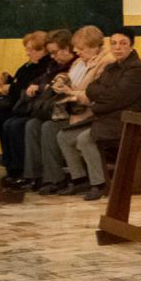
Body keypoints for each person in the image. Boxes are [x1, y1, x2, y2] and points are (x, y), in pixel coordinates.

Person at [71, 27, 141, 200]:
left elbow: (116, 98)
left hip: (126, 121)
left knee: (85, 138)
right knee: (64, 137)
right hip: (108, 116)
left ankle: (99, 184)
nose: (117, 48)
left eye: (123, 43)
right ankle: (80, 180)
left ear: (131, 45)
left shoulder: (136, 70)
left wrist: (97, 103)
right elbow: (92, 87)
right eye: (113, 43)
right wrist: (101, 96)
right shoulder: (113, 67)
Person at [40, 25, 112, 195]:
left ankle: (94, 182)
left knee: (59, 132)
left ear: (94, 46)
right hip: (75, 110)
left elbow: (93, 91)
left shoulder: (105, 62)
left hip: (90, 114)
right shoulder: (82, 61)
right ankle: (77, 179)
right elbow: (70, 75)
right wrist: (61, 79)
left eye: (81, 48)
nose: (77, 52)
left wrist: (70, 92)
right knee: (53, 131)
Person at [0, 31, 49, 187]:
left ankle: (15, 168)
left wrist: (11, 88)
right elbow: (20, 83)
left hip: (24, 108)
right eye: (27, 48)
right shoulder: (27, 66)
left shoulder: (44, 67)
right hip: (16, 105)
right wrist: (7, 81)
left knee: (8, 123)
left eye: (31, 49)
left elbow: (28, 90)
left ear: (43, 50)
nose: (27, 52)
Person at [4, 30, 70, 190]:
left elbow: (55, 87)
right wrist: (40, 86)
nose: (52, 56)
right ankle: (33, 175)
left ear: (67, 49)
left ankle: (54, 178)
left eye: (54, 52)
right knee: (30, 124)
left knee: (44, 126)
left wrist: (41, 87)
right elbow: (40, 81)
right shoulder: (54, 65)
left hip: (66, 112)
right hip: (49, 109)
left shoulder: (71, 66)